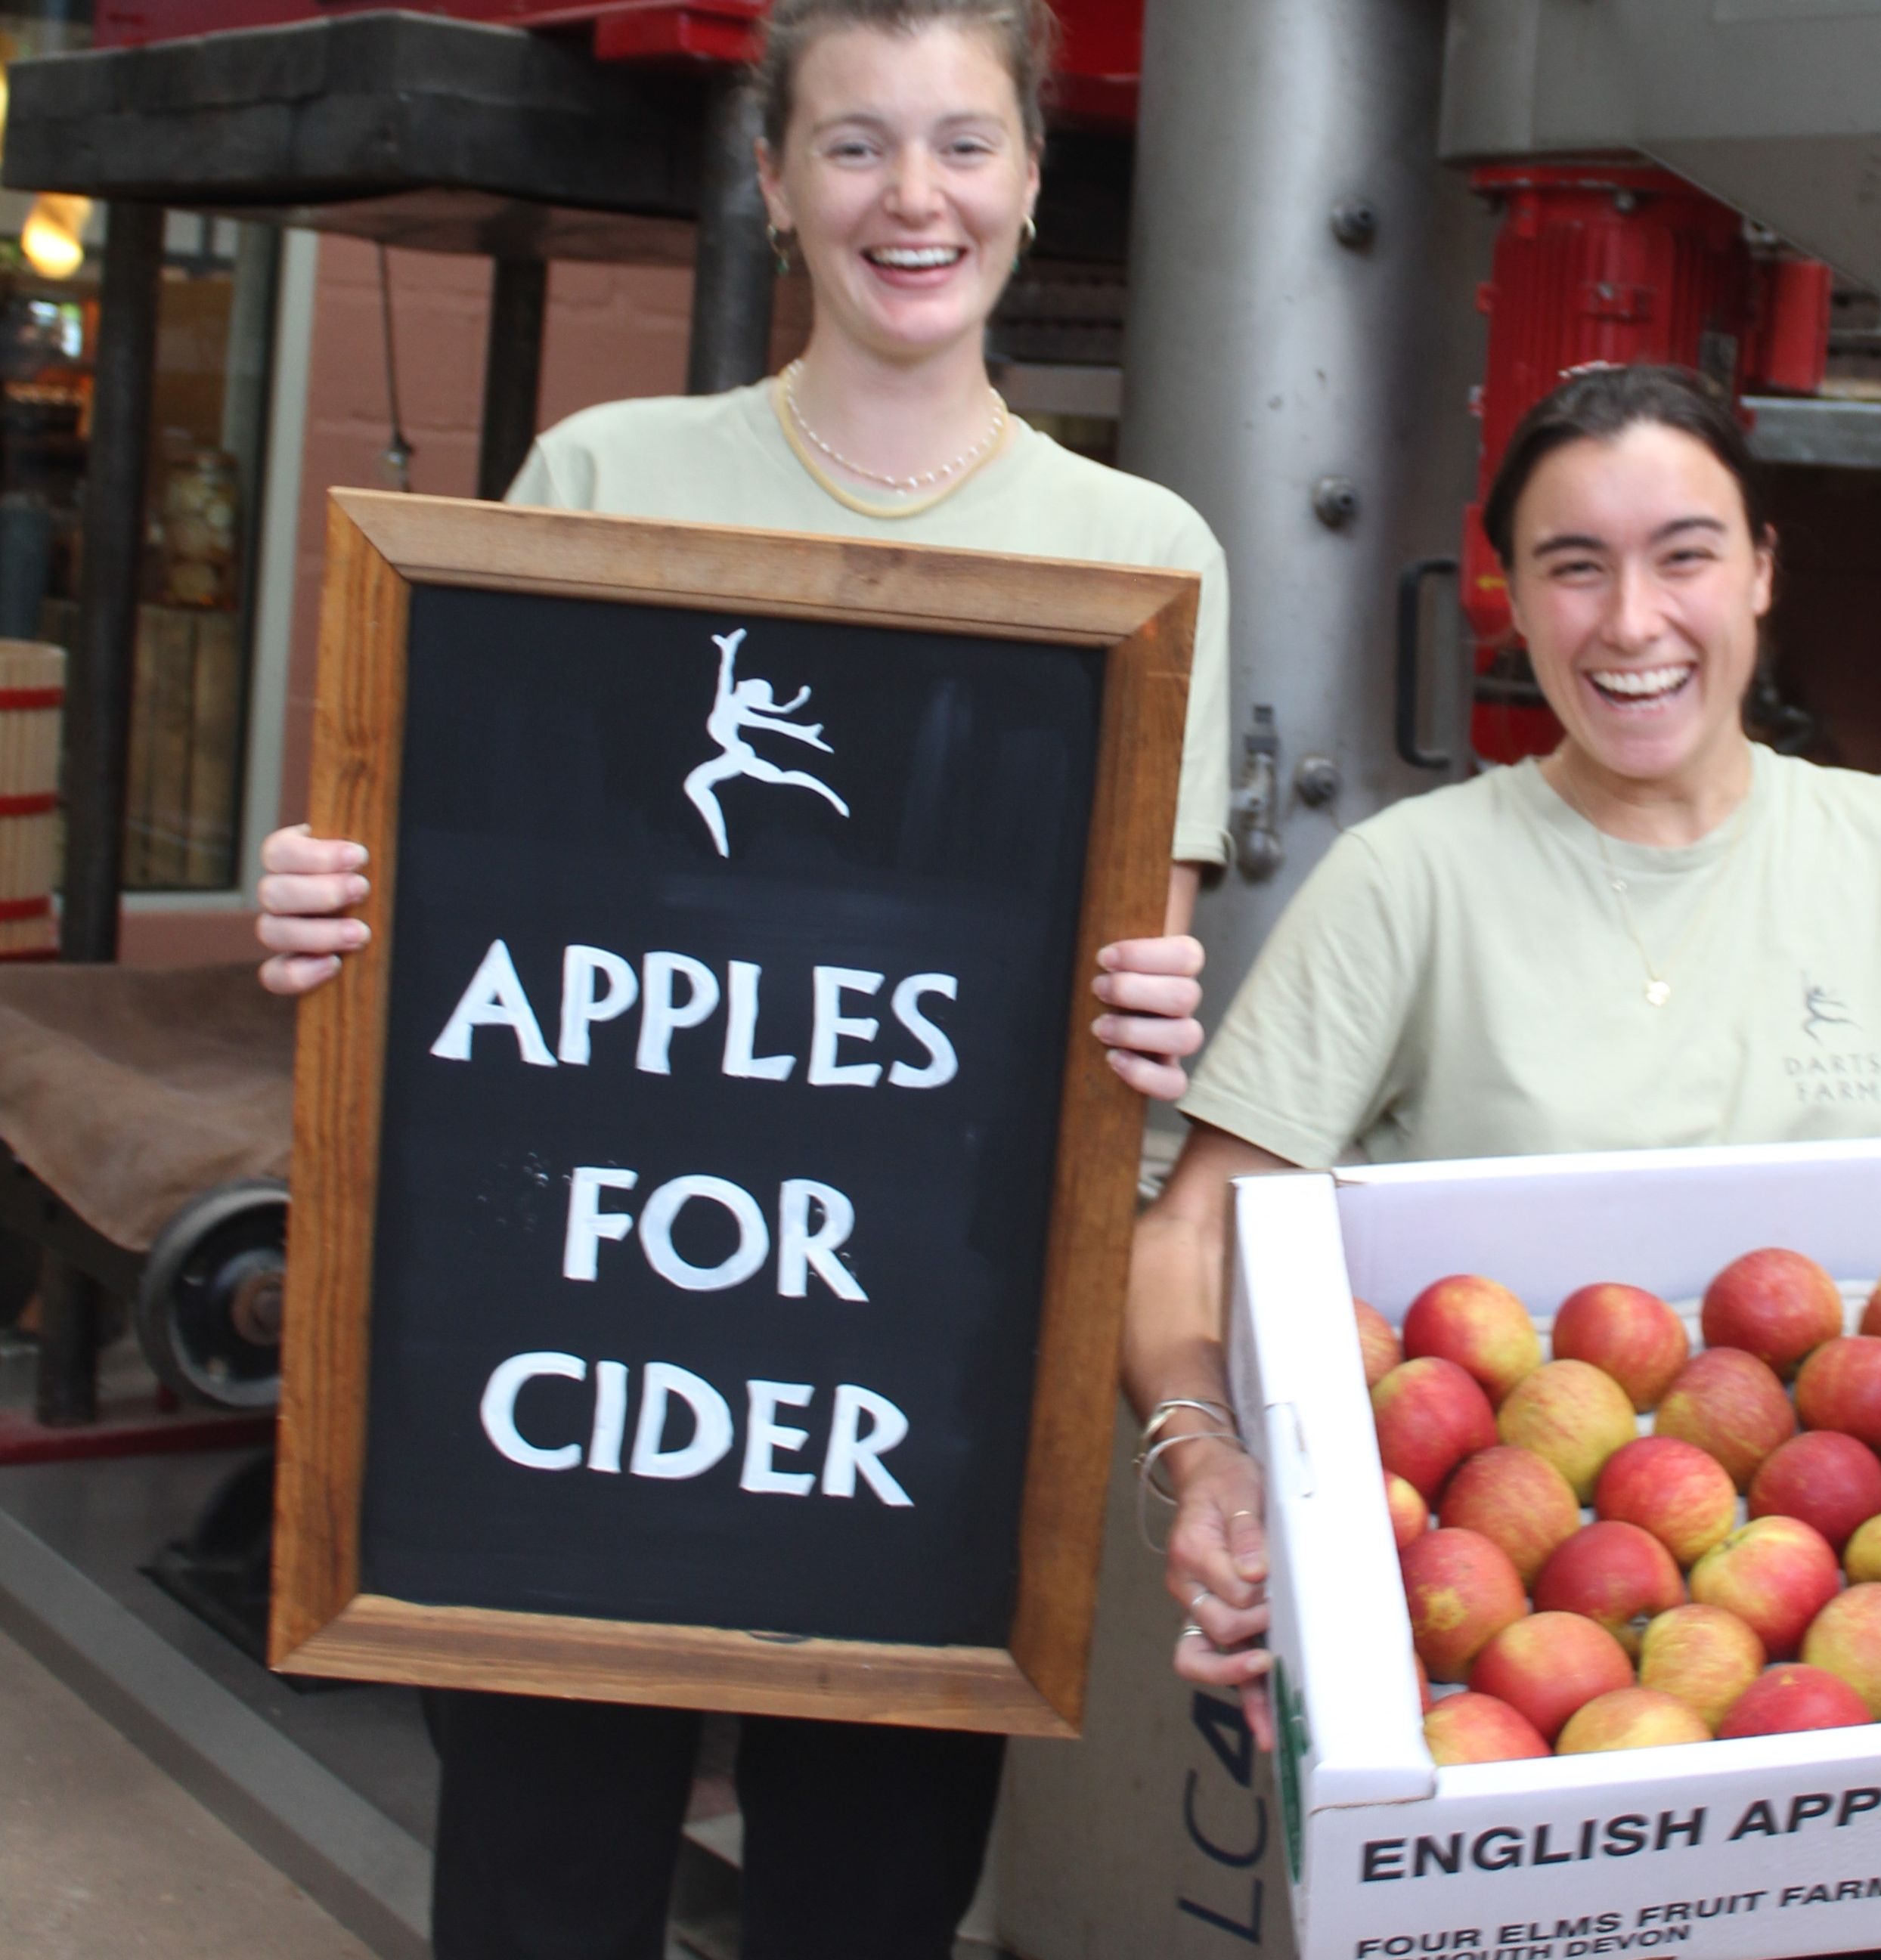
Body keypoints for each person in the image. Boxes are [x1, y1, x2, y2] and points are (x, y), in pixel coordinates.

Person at [1124, 364, 1881, 1960]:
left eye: (1685, 554)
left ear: (1764, 570)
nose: (1633, 619)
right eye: (1575, 565)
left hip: (1850, 1744)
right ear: (1513, 593)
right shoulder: (1408, 883)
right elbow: (1193, 1229)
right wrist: (1203, 1449)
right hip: (1524, 1710)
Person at [257, 3, 1222, 1954]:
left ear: (1036, 178)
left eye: (965, 141)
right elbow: (468, 912)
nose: (913, 195)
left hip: (913, 1406)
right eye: (854, 145)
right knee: (536, 1899)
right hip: (572, 1367)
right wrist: (330, 912)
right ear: (774, 184)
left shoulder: (1132, 558)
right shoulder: (607, 475)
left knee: (866, 1917)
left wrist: (1145, 1023)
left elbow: (1122, 982)